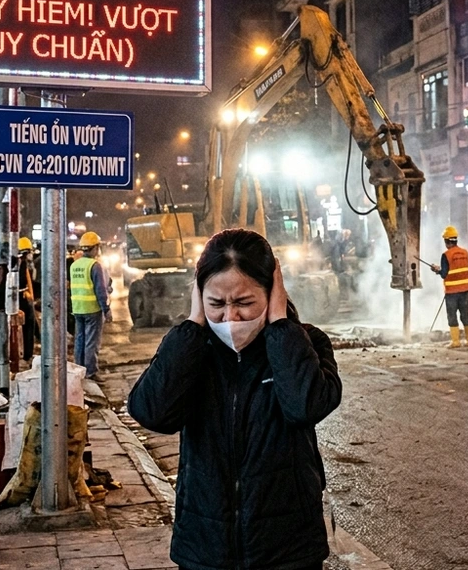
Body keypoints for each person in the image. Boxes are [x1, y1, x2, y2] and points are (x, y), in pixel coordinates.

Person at [128, 229, 341, 570]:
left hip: (288, 551)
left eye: (244, 303)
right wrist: (194, 325)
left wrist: (281, 327)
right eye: (216, 303)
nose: (230, 317)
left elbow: (305, 406)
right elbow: (152, 412)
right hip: (205, 549)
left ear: (272, 294)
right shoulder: (195, 350)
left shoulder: (305, 344)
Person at [70, 232, 111, 380]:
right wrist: (106, 310)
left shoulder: (75, 265)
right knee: (91, 342)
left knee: (79, 340)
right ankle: (90, 372)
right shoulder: (94, 265)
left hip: (78, 308)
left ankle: (79, 370)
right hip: (92, 309)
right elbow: (100, 291)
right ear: (94, 248)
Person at [429, 226, 468, 348]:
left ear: (447, 241)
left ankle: (456, 341)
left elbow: (444, 274)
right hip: (465, 289)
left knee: (452, 315)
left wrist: (437, 270)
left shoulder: (446, 255)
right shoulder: (465, 253)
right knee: (465, 314)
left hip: (452, 291)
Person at [17, 237, 38, 368]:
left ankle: (26, 354)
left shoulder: (18, 262)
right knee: (29, 327)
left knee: (29, 327)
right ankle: (27, 355)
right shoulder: (22, 263)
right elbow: (25, 281)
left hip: (21, 297)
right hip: (23, 298)